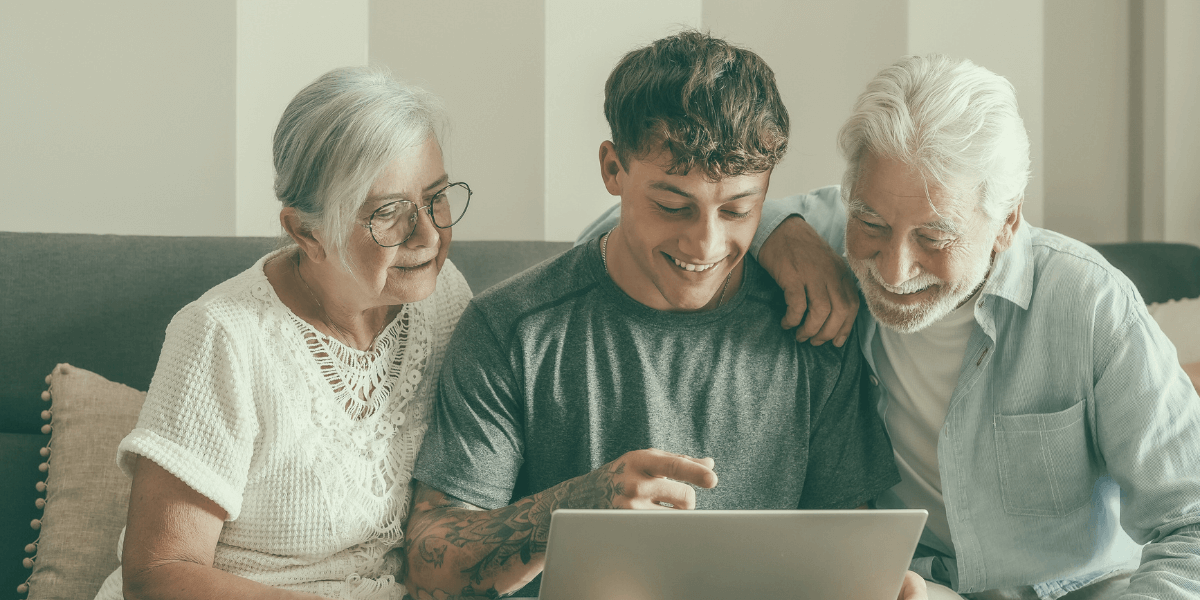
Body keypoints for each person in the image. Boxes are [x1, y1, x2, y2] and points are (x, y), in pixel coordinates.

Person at [589, 53, 1200, 600]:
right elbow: (606, 239)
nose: (893, 266)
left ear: (1008, 222)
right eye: (872, 223)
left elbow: (1192, 521)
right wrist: (778, 231)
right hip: (905, 587)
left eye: (935, 237)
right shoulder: (823, 234)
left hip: (1076, 591)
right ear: (849, 195)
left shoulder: (1090, 303)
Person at [403, 30, 905, 600]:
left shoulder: (812, 329)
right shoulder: (511, 328)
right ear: (613, 169)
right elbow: (427, 565)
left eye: (739, 209)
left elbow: (853, 559)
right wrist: (575, 508)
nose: (706, 244)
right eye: (673, 206)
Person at [93, 66, 474, 600]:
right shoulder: (221, 336)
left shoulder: (444, 297)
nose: (430, 234)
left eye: (437, 197)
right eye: (389, 214)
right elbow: (158, 574)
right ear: (306, 230)